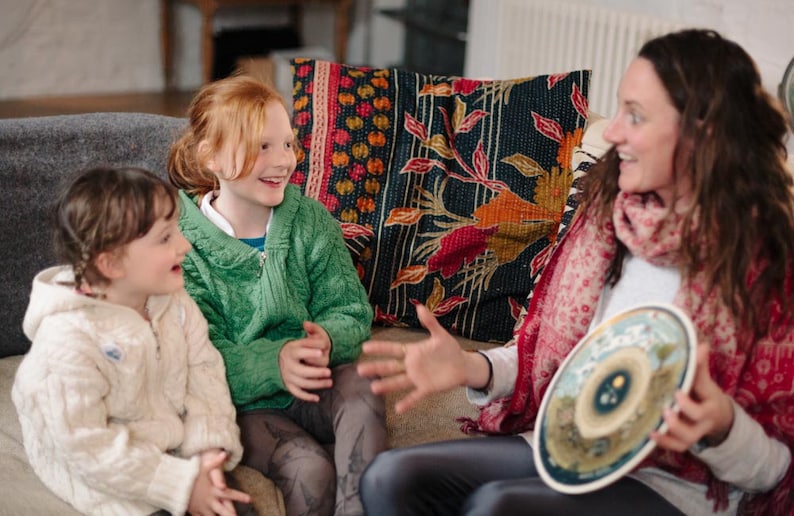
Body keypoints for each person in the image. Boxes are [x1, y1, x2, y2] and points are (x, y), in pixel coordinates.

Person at [357, 29, 794, 516]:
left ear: (701, 133)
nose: (611, 133)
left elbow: (778, 469)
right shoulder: (607, 219)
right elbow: (543, 359)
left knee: (498, 507)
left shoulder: (766, 267)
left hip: (676, 486)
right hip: (567, 447)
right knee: (391, 478)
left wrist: (721, 425)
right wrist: (468, 368)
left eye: (635, 115)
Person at [167, 75, 386, 516]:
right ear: (210, 155)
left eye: (287, 144)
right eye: (262, 146)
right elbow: (198, 357)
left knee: (364, 386)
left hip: (317, 384)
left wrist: (327, 338)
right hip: (243, 406)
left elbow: (349, 308)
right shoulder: (180, 245)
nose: (283, 160)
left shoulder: (310, 220)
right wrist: (275, 362)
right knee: (309, 469)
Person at [12, 166, 252, 516]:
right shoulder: (66, 344)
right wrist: (180, 486)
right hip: (106, 473)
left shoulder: (175, 304)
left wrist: (208, 452)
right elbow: (87, 447)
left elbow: (204, 372)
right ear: (110, 264)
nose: (184, 245)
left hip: (171, 447)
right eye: (165, 238)